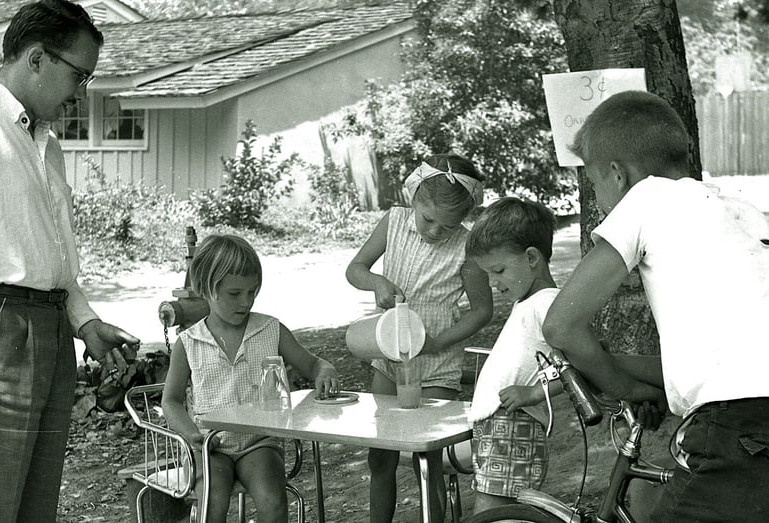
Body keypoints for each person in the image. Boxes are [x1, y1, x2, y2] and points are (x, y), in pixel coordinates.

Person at [542, 90, 769, 522]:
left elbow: (561, 326)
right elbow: (725, 358)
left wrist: (623, 389)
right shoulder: (743, 212)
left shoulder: (645, 199)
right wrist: (617, 364)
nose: (597, 200)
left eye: (594, 184)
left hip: (741, 426)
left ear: (617, 175)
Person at [0, 1, 140, 520]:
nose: (81, 92)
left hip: (50, 328)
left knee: (36, 499)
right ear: (36, 58)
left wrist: (86, 322)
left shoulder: (43, 142)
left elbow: (50, 253)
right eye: (79, 75)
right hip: (1, 329)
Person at [345, 153, 494, 523]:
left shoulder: (466, 246)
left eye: (446, 227)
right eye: (428, 219)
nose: (434, 232)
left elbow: (481, 310)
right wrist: (376, 282)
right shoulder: (394, 221)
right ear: (414, 197)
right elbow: (355, 269)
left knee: (426, 459)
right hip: (388, 355)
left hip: (436, 364)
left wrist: (440, 342)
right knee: (380, 455)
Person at [162, 234, 341, 523]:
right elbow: (170, 400)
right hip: (208, 444)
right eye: (235, 294)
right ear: (206, 288)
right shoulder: (189, 342)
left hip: (258, 441)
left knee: (273, 500)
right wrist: (190, 434)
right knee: (213, 501)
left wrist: (325, 372)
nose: (245, 302)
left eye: (252, 292)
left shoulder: (270, 330)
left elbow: (313, 364)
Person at [464, 197, 562, 514]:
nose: (493, 282)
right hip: (499, 425)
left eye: (499, 270)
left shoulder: (548, 303)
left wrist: (534, 392)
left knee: (495, 512)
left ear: (532, 257)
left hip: (514, 423)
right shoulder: (529, 300)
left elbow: (573, 367)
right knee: (497, 510)